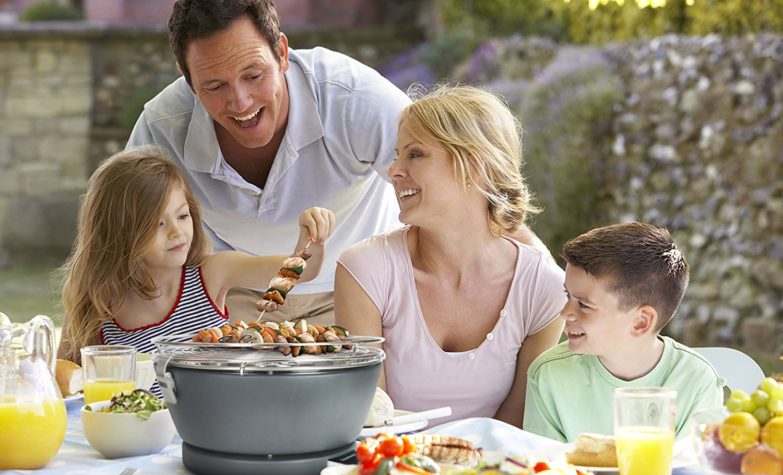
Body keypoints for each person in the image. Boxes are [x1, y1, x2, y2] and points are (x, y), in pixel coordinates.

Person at [126, 0, 549, 325]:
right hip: (238, 295)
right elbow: (117, 231)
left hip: (360, 290)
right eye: (214, 85)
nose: (240, 102)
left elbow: (464, 185)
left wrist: (550, 285)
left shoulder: (351, 97)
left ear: (282, 53)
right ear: (186, 78)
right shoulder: (163, 126)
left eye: (254, 75)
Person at [335, 85, 566, 428]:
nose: (394, 171)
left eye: (415, 154)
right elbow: (371, 420)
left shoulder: (544, 289)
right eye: (397, 155)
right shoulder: (365, 271)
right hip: (388, 474)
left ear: (473, 166)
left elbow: (518, 426)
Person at [58, 146, 334, 390]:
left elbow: (300, 271)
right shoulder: (98, 300)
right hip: (138, 440)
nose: (177, 232)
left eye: (181, 215)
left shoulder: (212, 273)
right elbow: (66, 381)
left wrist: (311, 239)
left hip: (215, 429)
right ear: (119, 233)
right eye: (158, 224)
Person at [523, 222, 723, 442]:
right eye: (567, 296)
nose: (565, 313)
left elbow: (695, 471)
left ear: (640, 322)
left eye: (584, 305)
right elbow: (544, 469)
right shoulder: (548, 375)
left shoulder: (697, 381)